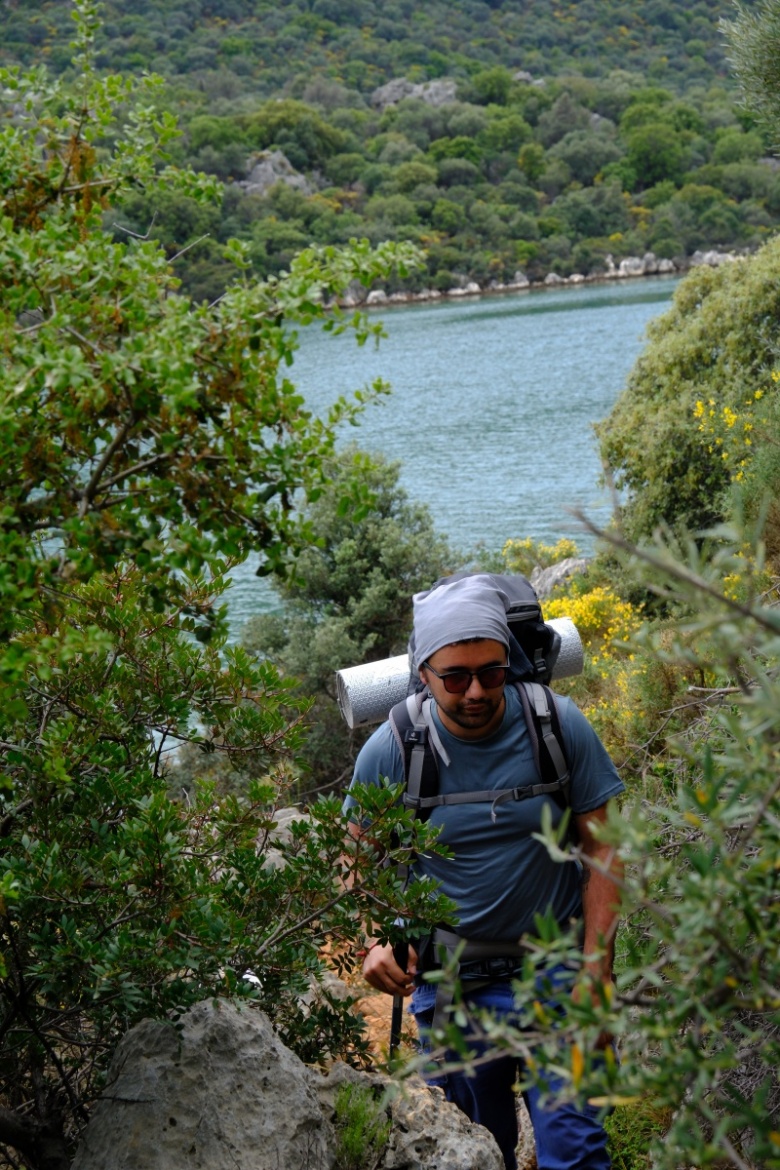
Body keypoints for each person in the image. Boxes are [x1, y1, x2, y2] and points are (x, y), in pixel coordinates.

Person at [343, 574, 624, 1170]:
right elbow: (353, 854)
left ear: (510, 663)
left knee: (575, 1150)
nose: (476, 691)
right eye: (455, 677)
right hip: (453, 987)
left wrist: (597, 971)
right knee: (475, 1152)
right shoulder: (395, 748)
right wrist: (370, 939)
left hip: (557, 973)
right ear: (423, 674)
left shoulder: (557, 724)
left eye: (492, 673)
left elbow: (604, 849)